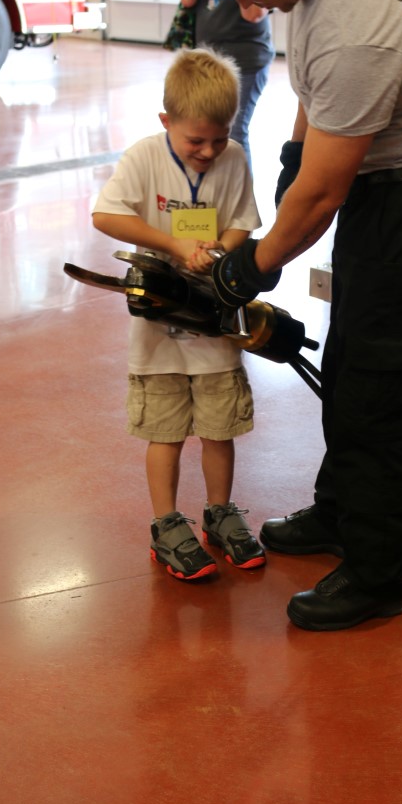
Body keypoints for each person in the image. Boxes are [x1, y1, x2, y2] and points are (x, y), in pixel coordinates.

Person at [187, 0, 402, 631]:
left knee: (383, 392)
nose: (249, 8)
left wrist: (249, 267)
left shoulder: (359, 29)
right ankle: (342, 511)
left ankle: (379, 575)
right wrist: (292, 155)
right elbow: (317, 88)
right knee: (348, 366)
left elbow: (320, 199)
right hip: (385, 194)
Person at [92, 47, 265, 581]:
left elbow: (244, 221)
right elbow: (105, 215)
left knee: (219, 428)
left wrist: (221, 248)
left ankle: (220, 513)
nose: (209, 151)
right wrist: (172, 244)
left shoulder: (234, 158)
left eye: (220, 138)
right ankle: (166, 524)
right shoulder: (144, 157)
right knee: (164, 431)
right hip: (158, 327)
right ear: (166, 121)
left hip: (214, 322)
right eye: (196, 141)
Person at [178, 0, 275, 177]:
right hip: (209, 63)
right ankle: (214, 184)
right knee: (207, 127)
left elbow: (254, 14)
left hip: (245, 63)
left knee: (234, 131)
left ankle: (241, 191)